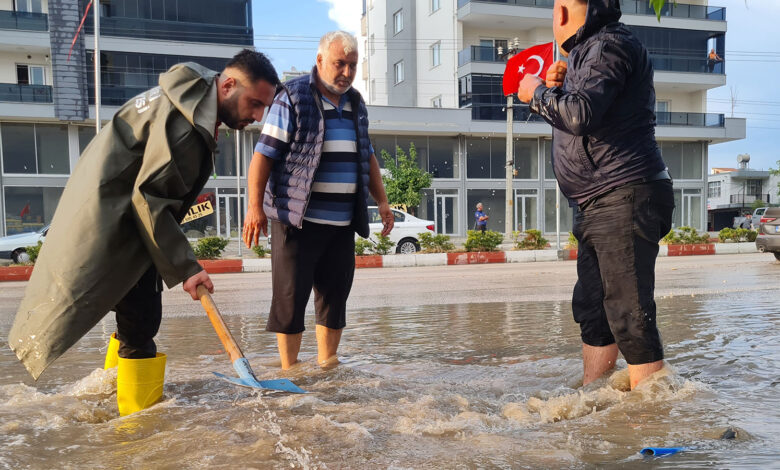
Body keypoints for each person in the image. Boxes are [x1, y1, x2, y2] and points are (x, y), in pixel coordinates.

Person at [9, 50, 280, 415]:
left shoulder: (187, 94)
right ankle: (136, 426)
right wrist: (187, 267)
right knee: (140, 323)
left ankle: (108, 397)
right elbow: (151, 200)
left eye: (264, 107)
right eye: (255, 103)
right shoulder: (185, 127)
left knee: (130, 319)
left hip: (115, 216)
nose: (258, 116)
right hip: (122, 226)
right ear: (228, 84)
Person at [517, 0, 675, 390]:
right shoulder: (589, 53)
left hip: (622, 193)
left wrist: (536, 92)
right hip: (595, 202)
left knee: (629, 312)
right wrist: (562, 81)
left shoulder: (607, 45)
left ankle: (652, 421)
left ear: (562, 14)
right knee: (593, 307)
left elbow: (580, 114)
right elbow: (580, 108)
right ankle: (593, 396)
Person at [242, 31, 393, 370]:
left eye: (353, 66)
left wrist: (382, 202)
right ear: (321, 60)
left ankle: (327, 366)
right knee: (290, 300)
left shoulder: (356, 103)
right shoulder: (292, 97)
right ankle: (290, 369)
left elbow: (366, 155)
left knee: (334, 298)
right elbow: (263, 155)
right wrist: (254, 208)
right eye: (340, 63)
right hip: (296, 220)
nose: (347, 72)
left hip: (341, 224)